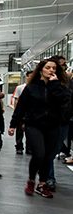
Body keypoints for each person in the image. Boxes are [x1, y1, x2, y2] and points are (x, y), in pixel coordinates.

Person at [9, 59, 70, 198]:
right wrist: (13, 125)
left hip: (53, 126)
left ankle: (42, 184)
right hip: (34, 125)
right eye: (48, 67)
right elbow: (21, 107)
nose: (51, 70)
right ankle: (31, 180)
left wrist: (55, 85)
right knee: (39, 154)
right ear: (41, 70)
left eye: (54, 68)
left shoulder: (59, 87)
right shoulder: (31, 87)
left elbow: (65, 101)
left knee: (48, 156)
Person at [46, 55, 71, 190]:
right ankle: (49, 177)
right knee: (49, 150)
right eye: (62, 64)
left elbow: (68, 98)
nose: (65, 66)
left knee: (55, 149)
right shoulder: (44, 82)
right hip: (49, 121)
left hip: (64, 120)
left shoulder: (67, 81)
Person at [11, 71, 33, 155]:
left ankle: (29, 148)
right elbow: (16, 100)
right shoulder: (20, 88)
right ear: (26, 77)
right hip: (21, 112)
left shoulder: (36, 88)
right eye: (30, 76)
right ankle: (19, 147)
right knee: (19, 131)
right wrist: (16, 112)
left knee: (29, 131)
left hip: (30, 114)